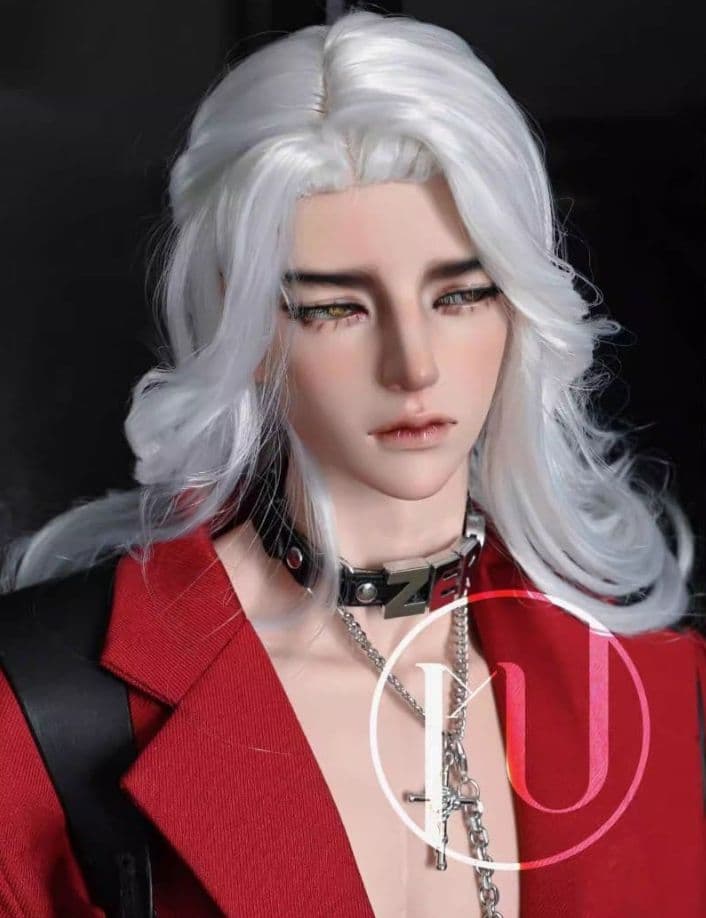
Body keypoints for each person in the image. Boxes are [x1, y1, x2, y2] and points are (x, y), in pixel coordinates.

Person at [0, 9, 704, 917]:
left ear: (521, 307)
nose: (414, 367)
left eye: (461, 295)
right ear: (245, 326)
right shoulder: (45, 714)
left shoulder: (654, 685)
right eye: (336, 308)